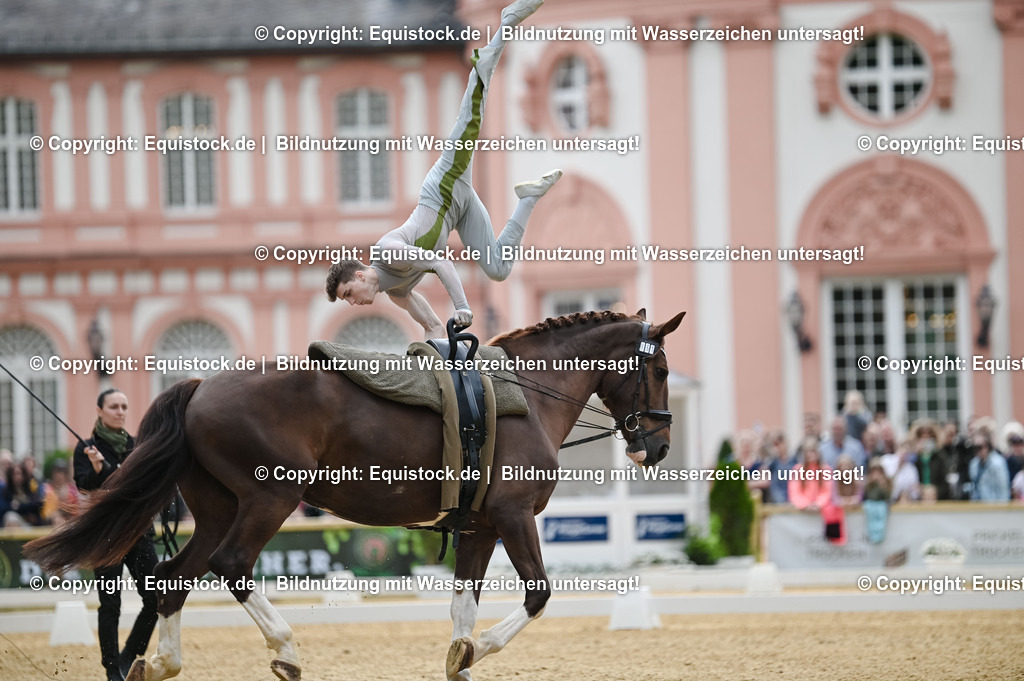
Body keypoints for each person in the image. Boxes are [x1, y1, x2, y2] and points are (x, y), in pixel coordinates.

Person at [325, 0, 561, 340]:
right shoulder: (397, 293)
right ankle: (528, 198)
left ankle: (501, 32)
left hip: (442, 187)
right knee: (497, 268)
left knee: (470, 119)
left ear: (360, 276)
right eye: (346, 301)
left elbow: (440, 263)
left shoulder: (386, 252)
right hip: (459, 210)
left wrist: (462, 307)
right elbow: (433, 327)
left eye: (348, 293)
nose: (352, 303)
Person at [73, 388, 158, 681]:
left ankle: (127, 657)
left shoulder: (137, 446)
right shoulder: (86, 448)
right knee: (110, 604)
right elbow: (85, 487)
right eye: (113, 406)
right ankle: (111, 668)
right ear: (100, 411)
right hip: (105, 537)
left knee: (156, 599)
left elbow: (148, 486)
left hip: (139, 533)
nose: (120, 411)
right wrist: (97, 469)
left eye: (123, 406)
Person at [968, 432, 1011, 502]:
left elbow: (1003, 490)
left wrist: (1003, 510)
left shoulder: (998, 463)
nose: (978, 451)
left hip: (994, 507)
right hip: (978, 507)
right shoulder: (973, 464)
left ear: (987, 446)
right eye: (975, 447)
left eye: (980, 447)